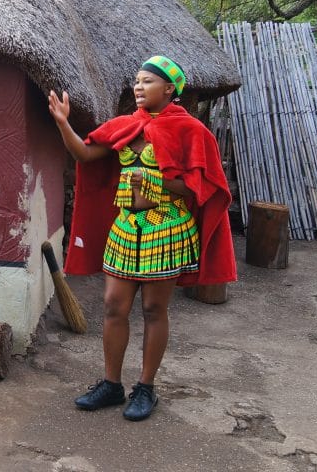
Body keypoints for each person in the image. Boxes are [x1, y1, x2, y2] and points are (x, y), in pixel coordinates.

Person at [47, 55, 236, 421]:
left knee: (153, 310)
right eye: (136, 80)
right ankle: (111, 384)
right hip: (125, 228)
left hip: (166, 229)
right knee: (113, 307)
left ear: (169, 89)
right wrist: (63, 124)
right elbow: (85, 154)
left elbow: (199, 188)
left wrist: (155, 182)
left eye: (147, 81)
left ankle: (146, 388)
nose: (138, 87)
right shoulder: (124, 126)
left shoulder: (191, 131)